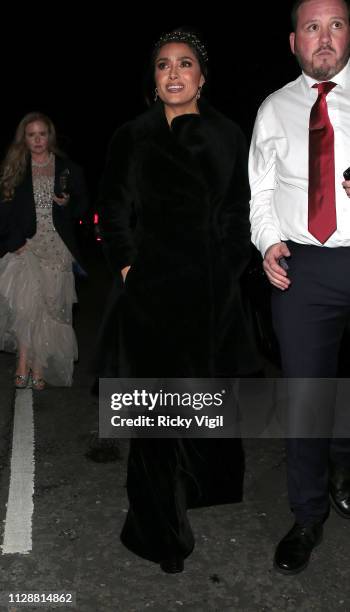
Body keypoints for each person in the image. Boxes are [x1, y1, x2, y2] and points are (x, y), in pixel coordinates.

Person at [97, 28, 260, 572]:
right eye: (163, 64)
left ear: (202, 76)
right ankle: (159, 535)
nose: (173, 73)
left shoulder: (228, 134)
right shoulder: (132, 136)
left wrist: (230, 268)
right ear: (155, 76)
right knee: (153, 423)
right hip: (151, 298)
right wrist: (127, 267)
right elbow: (114, 212)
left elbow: (240, 210)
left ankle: (192, 491)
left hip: (210, 295)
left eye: (184, 63)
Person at [249, 0, 350, 575]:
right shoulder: (274, 109)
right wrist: (267, 243)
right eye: (313, 27)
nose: (325, 38)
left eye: (336, 25)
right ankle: (308, 516)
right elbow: (259, 193)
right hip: (303, 270)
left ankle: (344, 462)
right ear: (294, 41)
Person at [0, 112, 89, 389]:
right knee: (27, 308)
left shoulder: (68, 168)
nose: (38, 140)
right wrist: (14, 241)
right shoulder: (16, 167)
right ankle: (23, 363)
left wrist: (66, 205)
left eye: (42, 134)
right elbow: (4, 209)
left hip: (57, 248)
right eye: (31, 135)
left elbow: (84, 207)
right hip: (26, 245)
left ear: (49, 136)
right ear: (24, 138)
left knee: (50, 310)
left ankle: (39, 366)